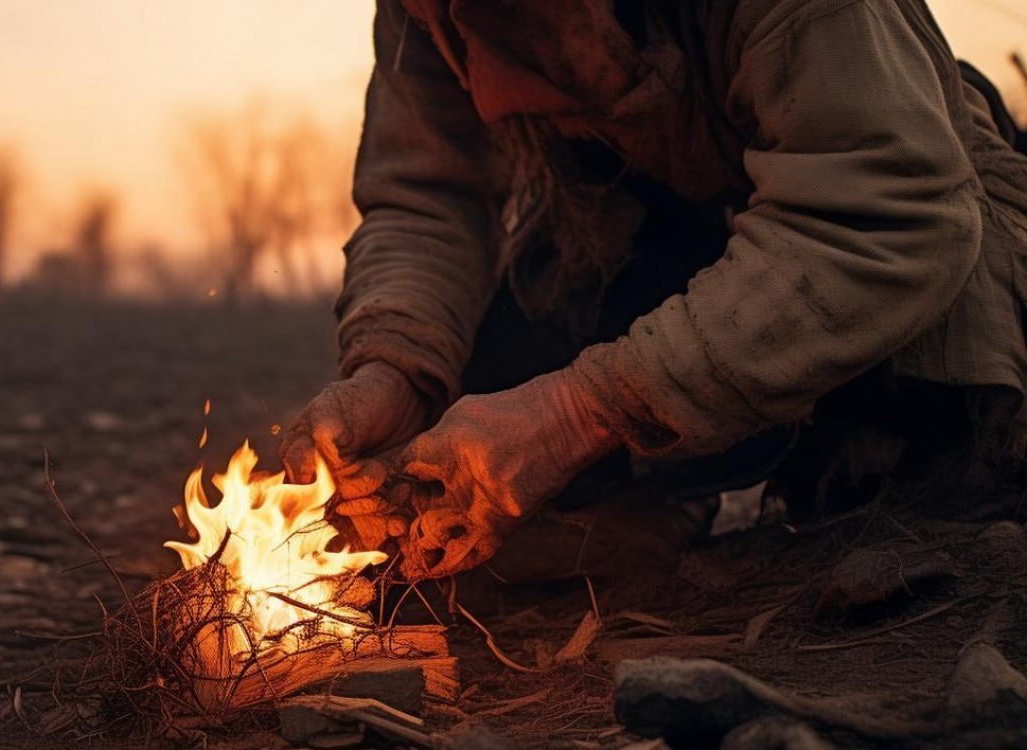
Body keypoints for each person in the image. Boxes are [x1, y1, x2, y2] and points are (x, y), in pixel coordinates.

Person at [281, 0, 1027, 582]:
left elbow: (883, 213)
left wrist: (577, 411)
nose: (488, 97)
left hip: (889, 193)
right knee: (460, 458)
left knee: (918, 490)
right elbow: (429, 196)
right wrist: (397, 367)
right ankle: (656, 496)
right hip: (629, 203)